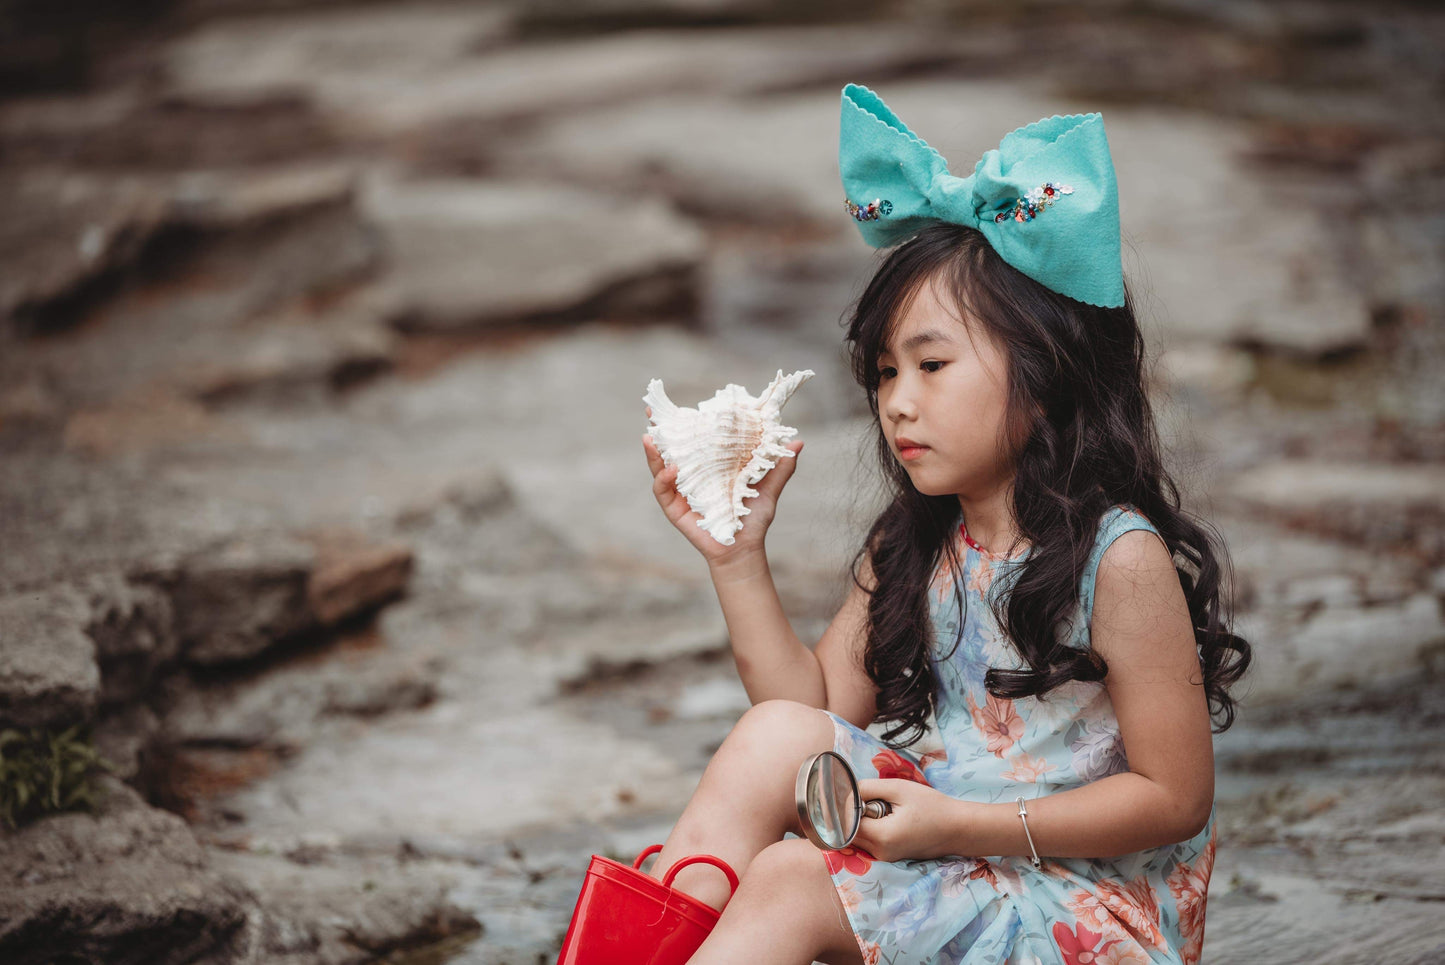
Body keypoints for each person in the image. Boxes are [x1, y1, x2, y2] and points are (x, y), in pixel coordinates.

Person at [637, 84, 1251, 965]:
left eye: (931, 364)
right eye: (885, 372)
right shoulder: (916, 541)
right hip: (951, 852)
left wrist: (957, 822)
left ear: (1043, 380)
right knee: (772, 744)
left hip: (1079, 904)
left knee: (787, 878)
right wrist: (737, 560)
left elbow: (1174, 796)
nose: (898, 402)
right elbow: (803, 713)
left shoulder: (1119, 558)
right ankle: (654, 932)